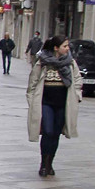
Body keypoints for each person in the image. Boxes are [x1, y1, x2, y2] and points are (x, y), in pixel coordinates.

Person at [26, 36, 81, 177]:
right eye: (65, 46)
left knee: (55, 134)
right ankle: (43, 163)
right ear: (56, 48)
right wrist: (32, 101)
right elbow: (32, 83)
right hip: (46, 103)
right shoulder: (43, 63)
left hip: (63, 104)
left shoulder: (70, 63)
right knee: (48, 132)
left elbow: (77, 80)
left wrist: (77, 95)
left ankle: (50, 163)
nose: (68, 48)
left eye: (68, 46)